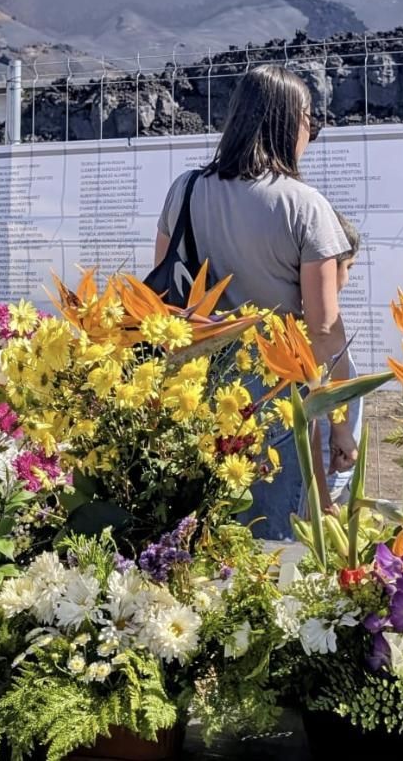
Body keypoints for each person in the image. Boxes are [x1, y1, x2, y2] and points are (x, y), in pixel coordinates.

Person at [152, 64, 354, 537]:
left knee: (199, 537)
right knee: (271, 537)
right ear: (288, 122)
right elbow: (325, 331)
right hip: (275, 395)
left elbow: (163, 300)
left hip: (194, 389)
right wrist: (341, 424)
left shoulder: (185, 190)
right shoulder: (306, 207)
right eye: (310, 120)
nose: (311, 132)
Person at [316, 213, 364, 507]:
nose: (346, 279)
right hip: (322, 478)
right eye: (347, 267)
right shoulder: (320, 325)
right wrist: (342, 430)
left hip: (331, 472)